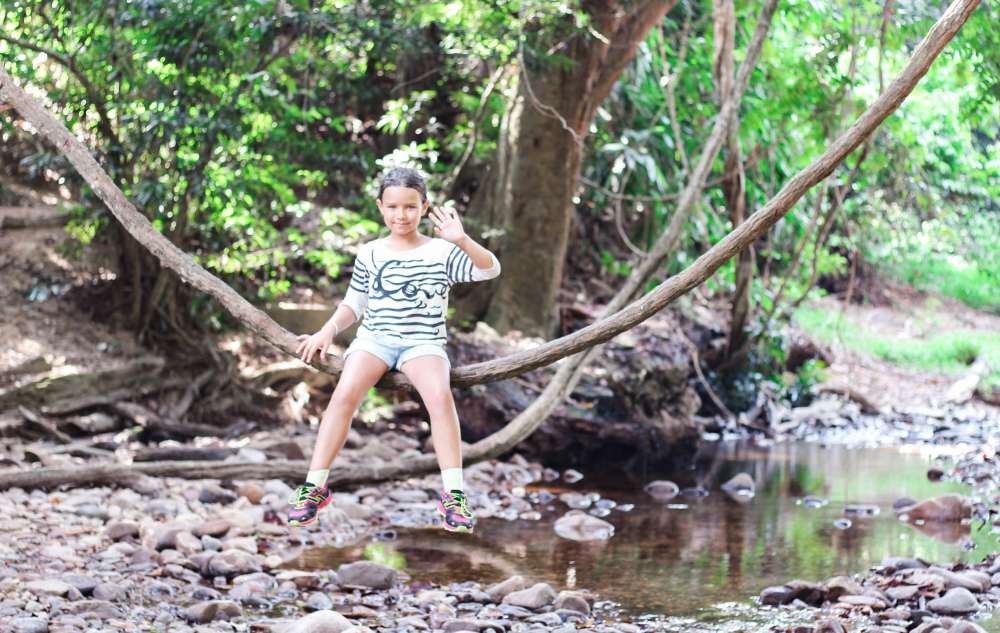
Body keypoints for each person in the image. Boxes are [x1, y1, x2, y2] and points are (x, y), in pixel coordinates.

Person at [288, 167, 500, 533]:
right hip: (375, 340)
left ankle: (454, 495)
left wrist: (461, 239)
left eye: (409, 207)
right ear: (380, 208)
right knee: (344, 395)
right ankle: (314, 487)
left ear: (424, 207)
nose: (400, 215)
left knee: (439, 396)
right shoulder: (371, 252)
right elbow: (353, 303)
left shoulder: (441, 251)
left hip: (424, 343)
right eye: (392, 207)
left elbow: (490, 269)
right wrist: (326, 331)